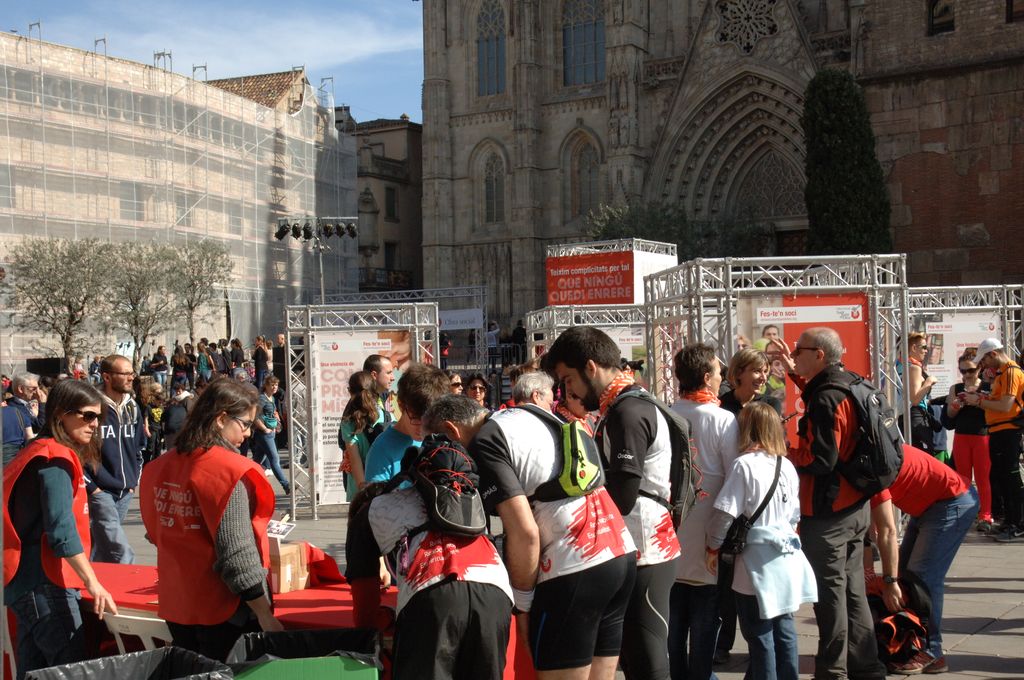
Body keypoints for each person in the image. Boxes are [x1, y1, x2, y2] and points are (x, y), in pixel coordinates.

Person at [424, 394, 638, 679]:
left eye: (443, 445)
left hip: (574, 565)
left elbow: (524, 532)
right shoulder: (527, 413)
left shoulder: (484, 441)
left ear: (452, 430)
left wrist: (522, 606)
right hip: (619, 552)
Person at [543, 326, 681, 680]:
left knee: (648, 660)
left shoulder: (628, 410)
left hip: (646, 547)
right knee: (636, 658)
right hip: (638, 545)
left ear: (591, 367)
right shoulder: (624, 404)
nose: (566, 390)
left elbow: (622, 495)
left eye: (567, 379)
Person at [345, 436, 514, 680]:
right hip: (495, 592)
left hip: (432, 594)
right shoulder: (464, 504)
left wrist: (387, 620)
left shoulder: (369, 513)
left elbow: (365, 616)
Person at [772, 328, 887, 680]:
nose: (794, 354)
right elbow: (827, 408)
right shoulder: (849, 382)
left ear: (819, 354)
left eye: (799, 350)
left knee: (830, 597)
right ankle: (867, 668)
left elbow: (821, 458)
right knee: (853, 592)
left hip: (830, 511)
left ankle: (832, 672)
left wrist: (784, 453)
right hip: (855, 507)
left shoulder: (826, 396)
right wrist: (795, 372)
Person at [140, 378, 282, 662]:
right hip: (223, 609)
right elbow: (237, 553)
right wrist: (264, 613)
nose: (248, 433)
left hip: (178, 601)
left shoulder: (159, 467)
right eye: (245, 424)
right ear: (220, 419)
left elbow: (155, 532)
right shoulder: (227, 472)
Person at [3, 379, 118, 678]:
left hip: (26, 582)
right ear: (60, 414)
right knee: (70, 669)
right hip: (45, 581)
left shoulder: (38, 449)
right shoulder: (55, 459)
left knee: (35, 669)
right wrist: (92, 581)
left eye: (99, 417)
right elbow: (61, 530)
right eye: (88, 415)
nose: (95, 424)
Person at [705, 403, 817, 680]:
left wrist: (713, 547)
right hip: (786, 559)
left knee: (759, 633)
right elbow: (794, 515)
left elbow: (724, 512)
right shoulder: (787, 465)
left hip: (755, 561)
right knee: (785, 628)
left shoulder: (744, 465)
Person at [869, 445, 977, 674]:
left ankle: (932, 652)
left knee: (923, 580)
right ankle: (909, 642)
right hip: (929, 505)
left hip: (953, 501)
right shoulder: (871, 455)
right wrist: (879, 576)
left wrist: (888, 581)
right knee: (907, 576)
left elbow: (887, 531)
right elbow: (870, 531)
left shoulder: (873, 465)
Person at [668, 343, 740, 680]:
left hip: (672, 526)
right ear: (707, 378)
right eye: (719, 372)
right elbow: (734, 475)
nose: (723, 377)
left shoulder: (666, 413)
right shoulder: (723, 420)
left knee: (674, 612)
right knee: (705, 610)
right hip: (710, 528)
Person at [963, 337, 1024, 542]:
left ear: (993, 354)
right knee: (1001, 478)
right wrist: (981, 397)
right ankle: (1009, 521)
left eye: (985, 360)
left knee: (1010, 478)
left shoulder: (1011, 372)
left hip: (1008, 431)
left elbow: (1006, 406)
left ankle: (1017, 524)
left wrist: (979, 401)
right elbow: (999, 401)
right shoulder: (1001, 374)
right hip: (998, 430)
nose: (983, 365)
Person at [88, 355, 146, 564]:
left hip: (125, 490)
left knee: (100, 543)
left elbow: (139, 446)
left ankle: (89, 586)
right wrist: (92, 487)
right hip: (100, 489)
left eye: (132, 373)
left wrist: (133, 481)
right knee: (117, 546)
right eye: (125, 374)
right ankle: (126, 578)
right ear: (107, 377)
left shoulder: (133, 407)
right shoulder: (91, 406)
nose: (131, 378)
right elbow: (77, 449)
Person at [364, 363, 450, 484]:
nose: (423, 429)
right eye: (416, 419)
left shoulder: (441, 438)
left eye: (430, 421)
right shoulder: (381, 451)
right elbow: (376, 501)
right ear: (400, 405)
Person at [941, 349, 993, 531]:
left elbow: (995, 411)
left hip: (982, 436)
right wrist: (956, 405)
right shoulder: (955, 388)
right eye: (963, 371)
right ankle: (963, 513)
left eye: (970, 370)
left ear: (979, 368)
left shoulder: (987, 386)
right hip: (962, 436)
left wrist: (978, 400)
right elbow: (949, 415)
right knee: (962, 478)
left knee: (982, 478)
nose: (967, 375)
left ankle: (985, 516)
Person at [338, 372, 379, 500]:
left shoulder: (348, 423)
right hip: (382, 483)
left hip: (358, 486)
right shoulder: (386, 416)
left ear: (349, 391)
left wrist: (363, 490)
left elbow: (355, 460)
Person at [252, 376, 289, 495]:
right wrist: (265, 429)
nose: (274, 387)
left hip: (270, 433)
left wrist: (276, 419)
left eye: (276, 385)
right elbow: (254, 416)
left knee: (256, 462)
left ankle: (247, 481)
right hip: (264, 434)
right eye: (272, 385)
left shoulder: (271, 398)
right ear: (266, 385)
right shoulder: (262, 398)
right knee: (274, 459)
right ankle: (287, 486)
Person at [902, 332, 938, 453]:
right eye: (923, 347)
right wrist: (929, 381)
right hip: (916, 416)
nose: (926, 351)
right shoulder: (914, 367)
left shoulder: (897, 366)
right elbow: (915, 399)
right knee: (925, 459)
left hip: (902, 416)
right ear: (913, 348)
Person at [720, 348, 783, 417]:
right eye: (757, 371)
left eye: (765, 371)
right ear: (738, 373)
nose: (764, 378)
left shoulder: (771, 405)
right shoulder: (721, 405)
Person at [364, 354, 401, 422]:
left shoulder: (382, 396)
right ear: (374, 375)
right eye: (389, 373)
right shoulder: (361, 403)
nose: (393, 378)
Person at [160, 378, 194, 452]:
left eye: (179, 391)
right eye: (176, 391)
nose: (178, 393)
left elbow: (190, 412)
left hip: (183, 426)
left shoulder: (187, 399)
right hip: (175, 427)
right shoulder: (175, 399)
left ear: (182, 390)